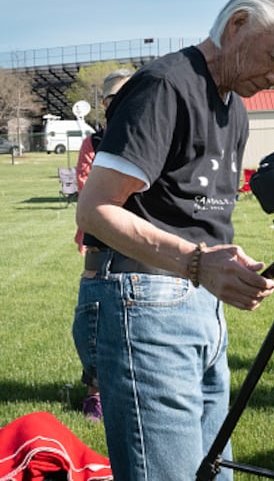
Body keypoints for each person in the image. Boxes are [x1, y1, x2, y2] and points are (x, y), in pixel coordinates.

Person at [72, 0, 274, 481]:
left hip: (198, 305)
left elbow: (190, 212)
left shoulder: (236, 108)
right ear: (236, 25)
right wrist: (198, 262)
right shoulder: (166, 85)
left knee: (212, 473)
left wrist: (221, 260)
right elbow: (95, 209)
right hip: (143, 303)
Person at [72, 68, 133, 423]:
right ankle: (95, 392)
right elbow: (87, 188)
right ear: (107, 104)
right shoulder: (93, 143)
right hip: (99, 238)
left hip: (141, 240)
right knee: (91, 317)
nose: (120, 105)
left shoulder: (150, 136)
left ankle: (128, 384)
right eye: (114, 100)